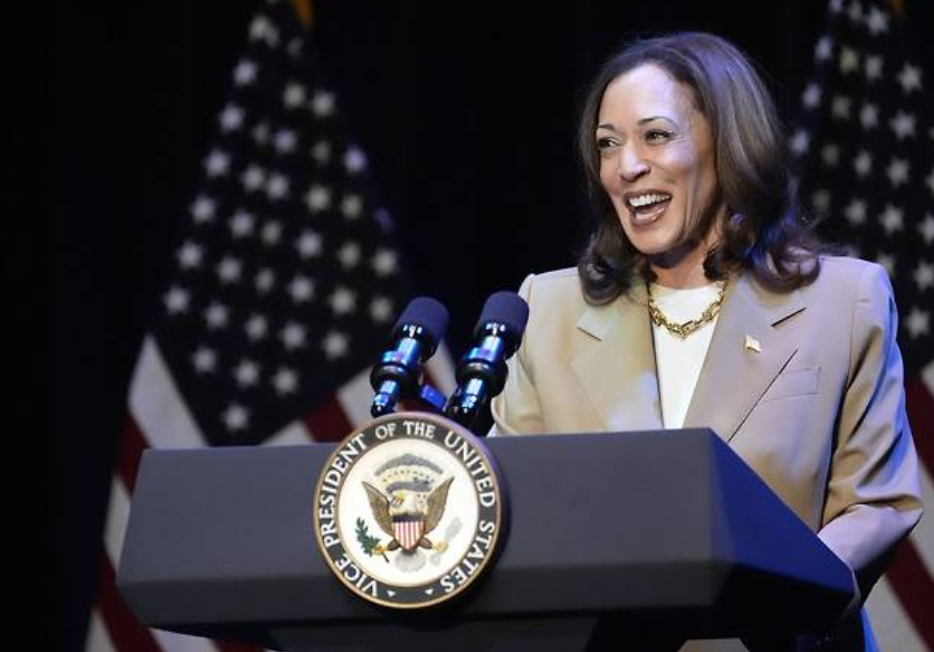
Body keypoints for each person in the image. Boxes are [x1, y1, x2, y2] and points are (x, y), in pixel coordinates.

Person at [489, 32, 922, 652]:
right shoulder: (549, 308)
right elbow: (513, 503)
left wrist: (773, 600)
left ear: (727, 143)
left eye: (655, 135)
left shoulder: (843, 301)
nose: (626, 167)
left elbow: (876, 503)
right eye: (608, 144)